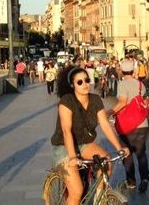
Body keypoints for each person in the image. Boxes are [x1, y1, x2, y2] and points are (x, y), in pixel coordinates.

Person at [50, 67, 128, 205]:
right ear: (72, 85)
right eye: (79, 82)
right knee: (77, 192)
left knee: (106, 163)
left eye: (87, 80)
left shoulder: (95, 100)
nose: (85, 84)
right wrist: (73, 157)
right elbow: (66, 131)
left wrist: (119, 147)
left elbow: (105, 124)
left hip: (85, 143)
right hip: (64, 146)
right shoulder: (66, 101)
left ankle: (98, 198)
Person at [110, 58, 149, 193]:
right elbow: (146, 102)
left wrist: (109, 112)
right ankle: (145, 178)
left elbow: (122, 102)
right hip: (142, 124)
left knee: (127, 153)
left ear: (121, 70)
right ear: (133, 71)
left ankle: (131, 181)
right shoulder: (140, 85)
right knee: (141, 153)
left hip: (126, 125)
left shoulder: (122, 84)